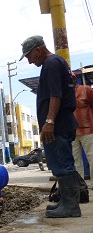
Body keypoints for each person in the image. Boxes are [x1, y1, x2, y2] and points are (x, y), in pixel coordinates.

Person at [19, 35, 80, 218]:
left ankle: (71, 207)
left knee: (63, 163)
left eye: (29, 56)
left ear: (38, 49)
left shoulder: (51, 63)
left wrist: (50, 122)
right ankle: (66, 202)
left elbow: (56, 95)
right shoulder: (56, 62)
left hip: (59, 124)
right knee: (60, 163)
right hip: (61, 123)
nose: (30, 61)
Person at [71, 72, 93, 188]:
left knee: (92, 157)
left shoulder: (86, 90)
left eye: (71, 78)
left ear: (75, 79)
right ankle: (80, 187)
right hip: (72, 133)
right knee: (75, 162)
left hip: (88, 130)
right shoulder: (64, 94)